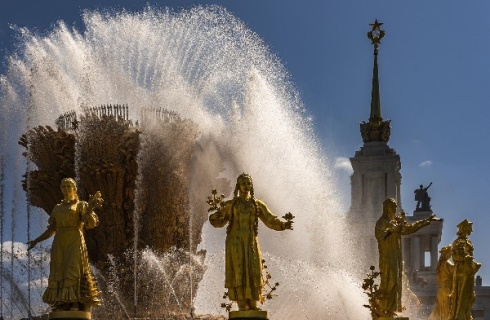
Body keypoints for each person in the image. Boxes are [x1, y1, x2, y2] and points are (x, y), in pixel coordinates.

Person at [208, 173, 293, 311]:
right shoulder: (231, 204)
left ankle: (253, 301)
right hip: (235, 241)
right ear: (238, 185)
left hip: (251, 241)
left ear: (251, 185)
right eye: (243, 183)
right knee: (238, 269)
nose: (246, 186)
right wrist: (214, 216)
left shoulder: (257, 204)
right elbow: (221, 221)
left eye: (248, 183)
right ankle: (241, 303)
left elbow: (270, 220)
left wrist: (283, 225)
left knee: (254, 270)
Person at [27, 178, 102, 312]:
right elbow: (52, 229)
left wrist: (90, 209)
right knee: (59, 270)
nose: (66, 189)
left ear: (74, 189)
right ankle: (62, 302)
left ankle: (74, 302)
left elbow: (90, 224)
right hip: (60, 240)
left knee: (73, 269)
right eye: (64, 186)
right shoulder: (57, 208)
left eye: (69, 186)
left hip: (75, 239)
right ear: (61, 189)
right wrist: (36, 240)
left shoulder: (81, 205)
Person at [375, 198, 438, 316]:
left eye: (395, 207)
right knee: (390, 280)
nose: (395, 209)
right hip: (387, 257)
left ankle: (393, 309)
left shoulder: (395, 223)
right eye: (393, 207)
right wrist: (391, 230)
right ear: (387, 208)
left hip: (396, 257)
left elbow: (409, 229)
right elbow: (380, 235)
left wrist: (426, 221)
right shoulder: (381, 222)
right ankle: (386, 308)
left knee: (398, 281)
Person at [449, 219, 481, 320]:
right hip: (462, 270)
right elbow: (458, 255)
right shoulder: (459, 242)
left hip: (468, 269)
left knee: (469, 294)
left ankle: (466, 313)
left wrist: (473, 263)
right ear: (465, 228)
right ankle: (460, 315)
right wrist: (466, 258)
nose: (471, 230)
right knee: (462, 292)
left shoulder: (466, 241)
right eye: (469, 228)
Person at [428, 245, 454, 320]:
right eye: (450, 252)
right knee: (447, 306)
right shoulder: (447, 263)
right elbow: (456, 272)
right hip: (447, 288)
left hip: (441, 288)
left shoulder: (440, 264)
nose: (451, 254)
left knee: (441, 306)